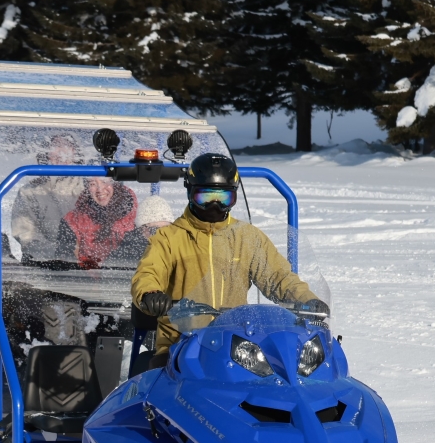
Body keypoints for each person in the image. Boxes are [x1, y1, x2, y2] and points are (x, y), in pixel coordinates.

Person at [130, 153, 328, 360]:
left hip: (236, 347)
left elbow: (279, 278)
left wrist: (307, 301)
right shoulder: (169, 237)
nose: (214, 206)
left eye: (223, 198)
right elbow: (148, 272)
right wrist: (150, 294)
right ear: (190, 193)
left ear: (233, 198)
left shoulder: (247, 237)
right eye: (205, 198)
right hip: (180, 347)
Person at [9, 135, 85, 261]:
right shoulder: (31, 191)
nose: (61, 151)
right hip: (43, 265)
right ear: (47, 153)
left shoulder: (90, 188)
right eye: (56, 146)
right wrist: (57, 254)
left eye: (67, 145)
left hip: (87, 265)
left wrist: (85, 254)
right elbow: (25, 233)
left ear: (75, 153)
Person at [56, 176, 140, 269]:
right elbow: (63, 260)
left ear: (114, 184)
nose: (100, 189)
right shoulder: (72, 221)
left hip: (121, 277)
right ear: (87, 188)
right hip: (84, 279)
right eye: (93, 184)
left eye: (104, 182)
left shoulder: (135, 214)